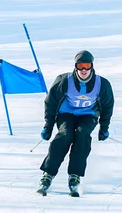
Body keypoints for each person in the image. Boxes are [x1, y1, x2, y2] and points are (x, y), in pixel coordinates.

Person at [37, 50, 114, 197]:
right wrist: (48, 126)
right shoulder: (64, 81)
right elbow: (51, 103)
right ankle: (48, 174)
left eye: (86, 66)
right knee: (65, 135)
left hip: (88, 115)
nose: (83, 70)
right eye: (80, 66)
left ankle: (75, 175)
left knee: (82, 134)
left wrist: (104, 128)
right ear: (75, 66)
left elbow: (108, 106)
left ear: (91, 66)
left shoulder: (102, 84)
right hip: (66, 114)